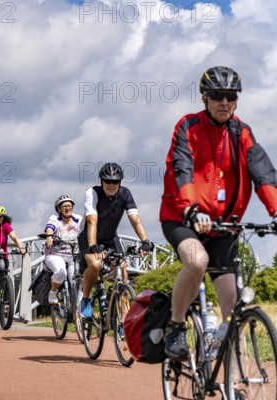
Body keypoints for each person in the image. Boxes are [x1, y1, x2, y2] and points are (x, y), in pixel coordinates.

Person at [160, 66, 277, 360]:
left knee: (232, 305)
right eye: (216, 96)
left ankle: (232, 381)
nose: (224, 102)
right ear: (204, 98)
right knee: (198, 262)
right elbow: (181, 168)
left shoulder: (242, 132)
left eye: (230, 96)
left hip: (223, 226)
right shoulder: (188, 126)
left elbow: (263, 174)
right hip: (181, 218)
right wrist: (190, 207)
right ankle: (175, 326)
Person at [78, 162, 153, 318]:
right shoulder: (92, 193)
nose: (111, 185)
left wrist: (145, 241)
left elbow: (135, 219)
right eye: (108, 181)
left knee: (122, 271)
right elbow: (92, 220)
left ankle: (122, 316)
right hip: (89, 236)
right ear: (101, 181)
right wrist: (93, 245)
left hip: (110, 237)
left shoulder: (126, 194)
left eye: (115, 182)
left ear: (120, 182)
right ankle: (85, 298)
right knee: (96, 264)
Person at [43, 196, 83, 305]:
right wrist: (49, 236)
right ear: (59, 209)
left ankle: (80, 309)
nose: (67, 208)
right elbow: (50, 227)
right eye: (64, 206)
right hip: (55, 254)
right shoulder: (55, 218)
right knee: (61, 273)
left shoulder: (78, 219)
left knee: (79, 281)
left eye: (70, 206)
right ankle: (53, 291)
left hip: (73, 255)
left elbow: (86, 230)